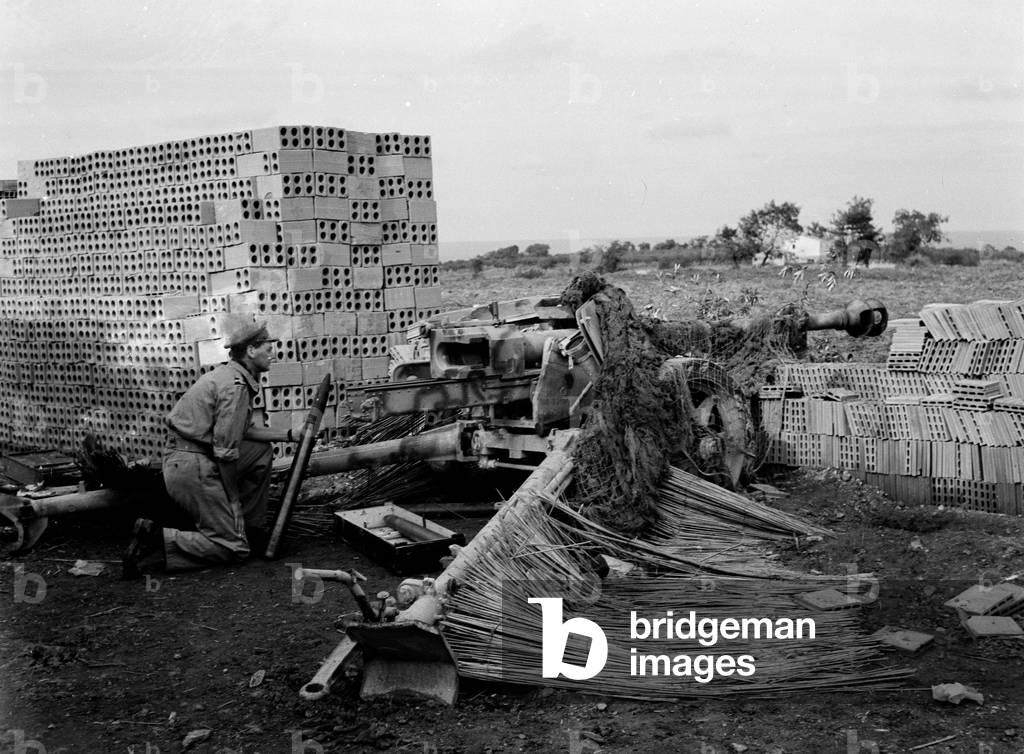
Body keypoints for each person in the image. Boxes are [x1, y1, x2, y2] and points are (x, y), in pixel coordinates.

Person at [122, 321, 298, 578]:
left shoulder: (230, 376)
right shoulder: (235, 387)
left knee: (260, 451)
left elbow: (243, 430)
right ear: (250, 350)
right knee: (235, 550)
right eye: (267, 348)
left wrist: (291, 435)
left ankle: (249, 530)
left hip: (187, 458)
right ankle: (157, 539)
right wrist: (234, 501)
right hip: (192, 466)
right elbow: (225, 452)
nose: (272, 353)